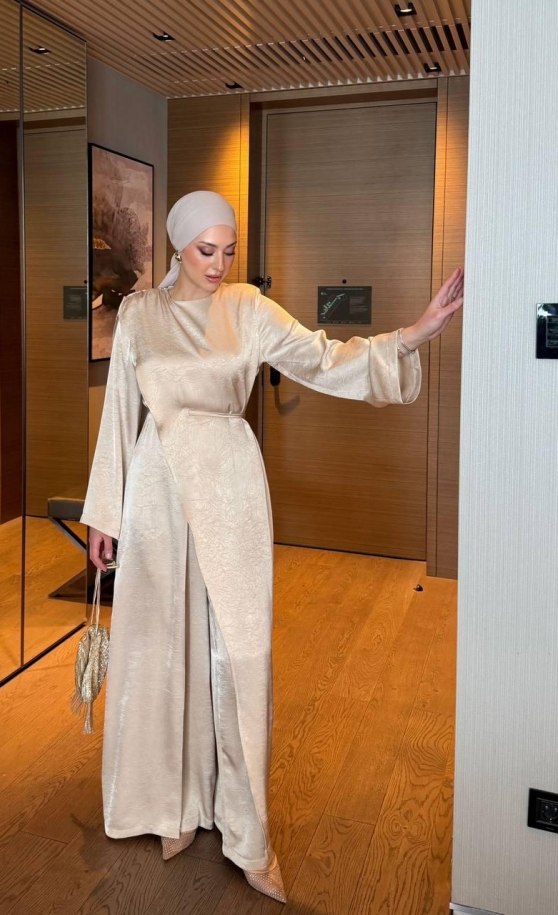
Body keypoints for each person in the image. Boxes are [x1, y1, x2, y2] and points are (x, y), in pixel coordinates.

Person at [80, 190, 464, 903]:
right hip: (158, 490)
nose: (219, 264)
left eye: (228, 251)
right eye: (206, 250)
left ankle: (247, 833)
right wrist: (105, 514)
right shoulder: (139, 315)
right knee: (163, 645)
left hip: (230, 482)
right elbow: (118, 416)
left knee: (241, 651)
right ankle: (173, 805)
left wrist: (413, 334)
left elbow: (324, 358)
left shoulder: (249, 309)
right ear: (179, 245)